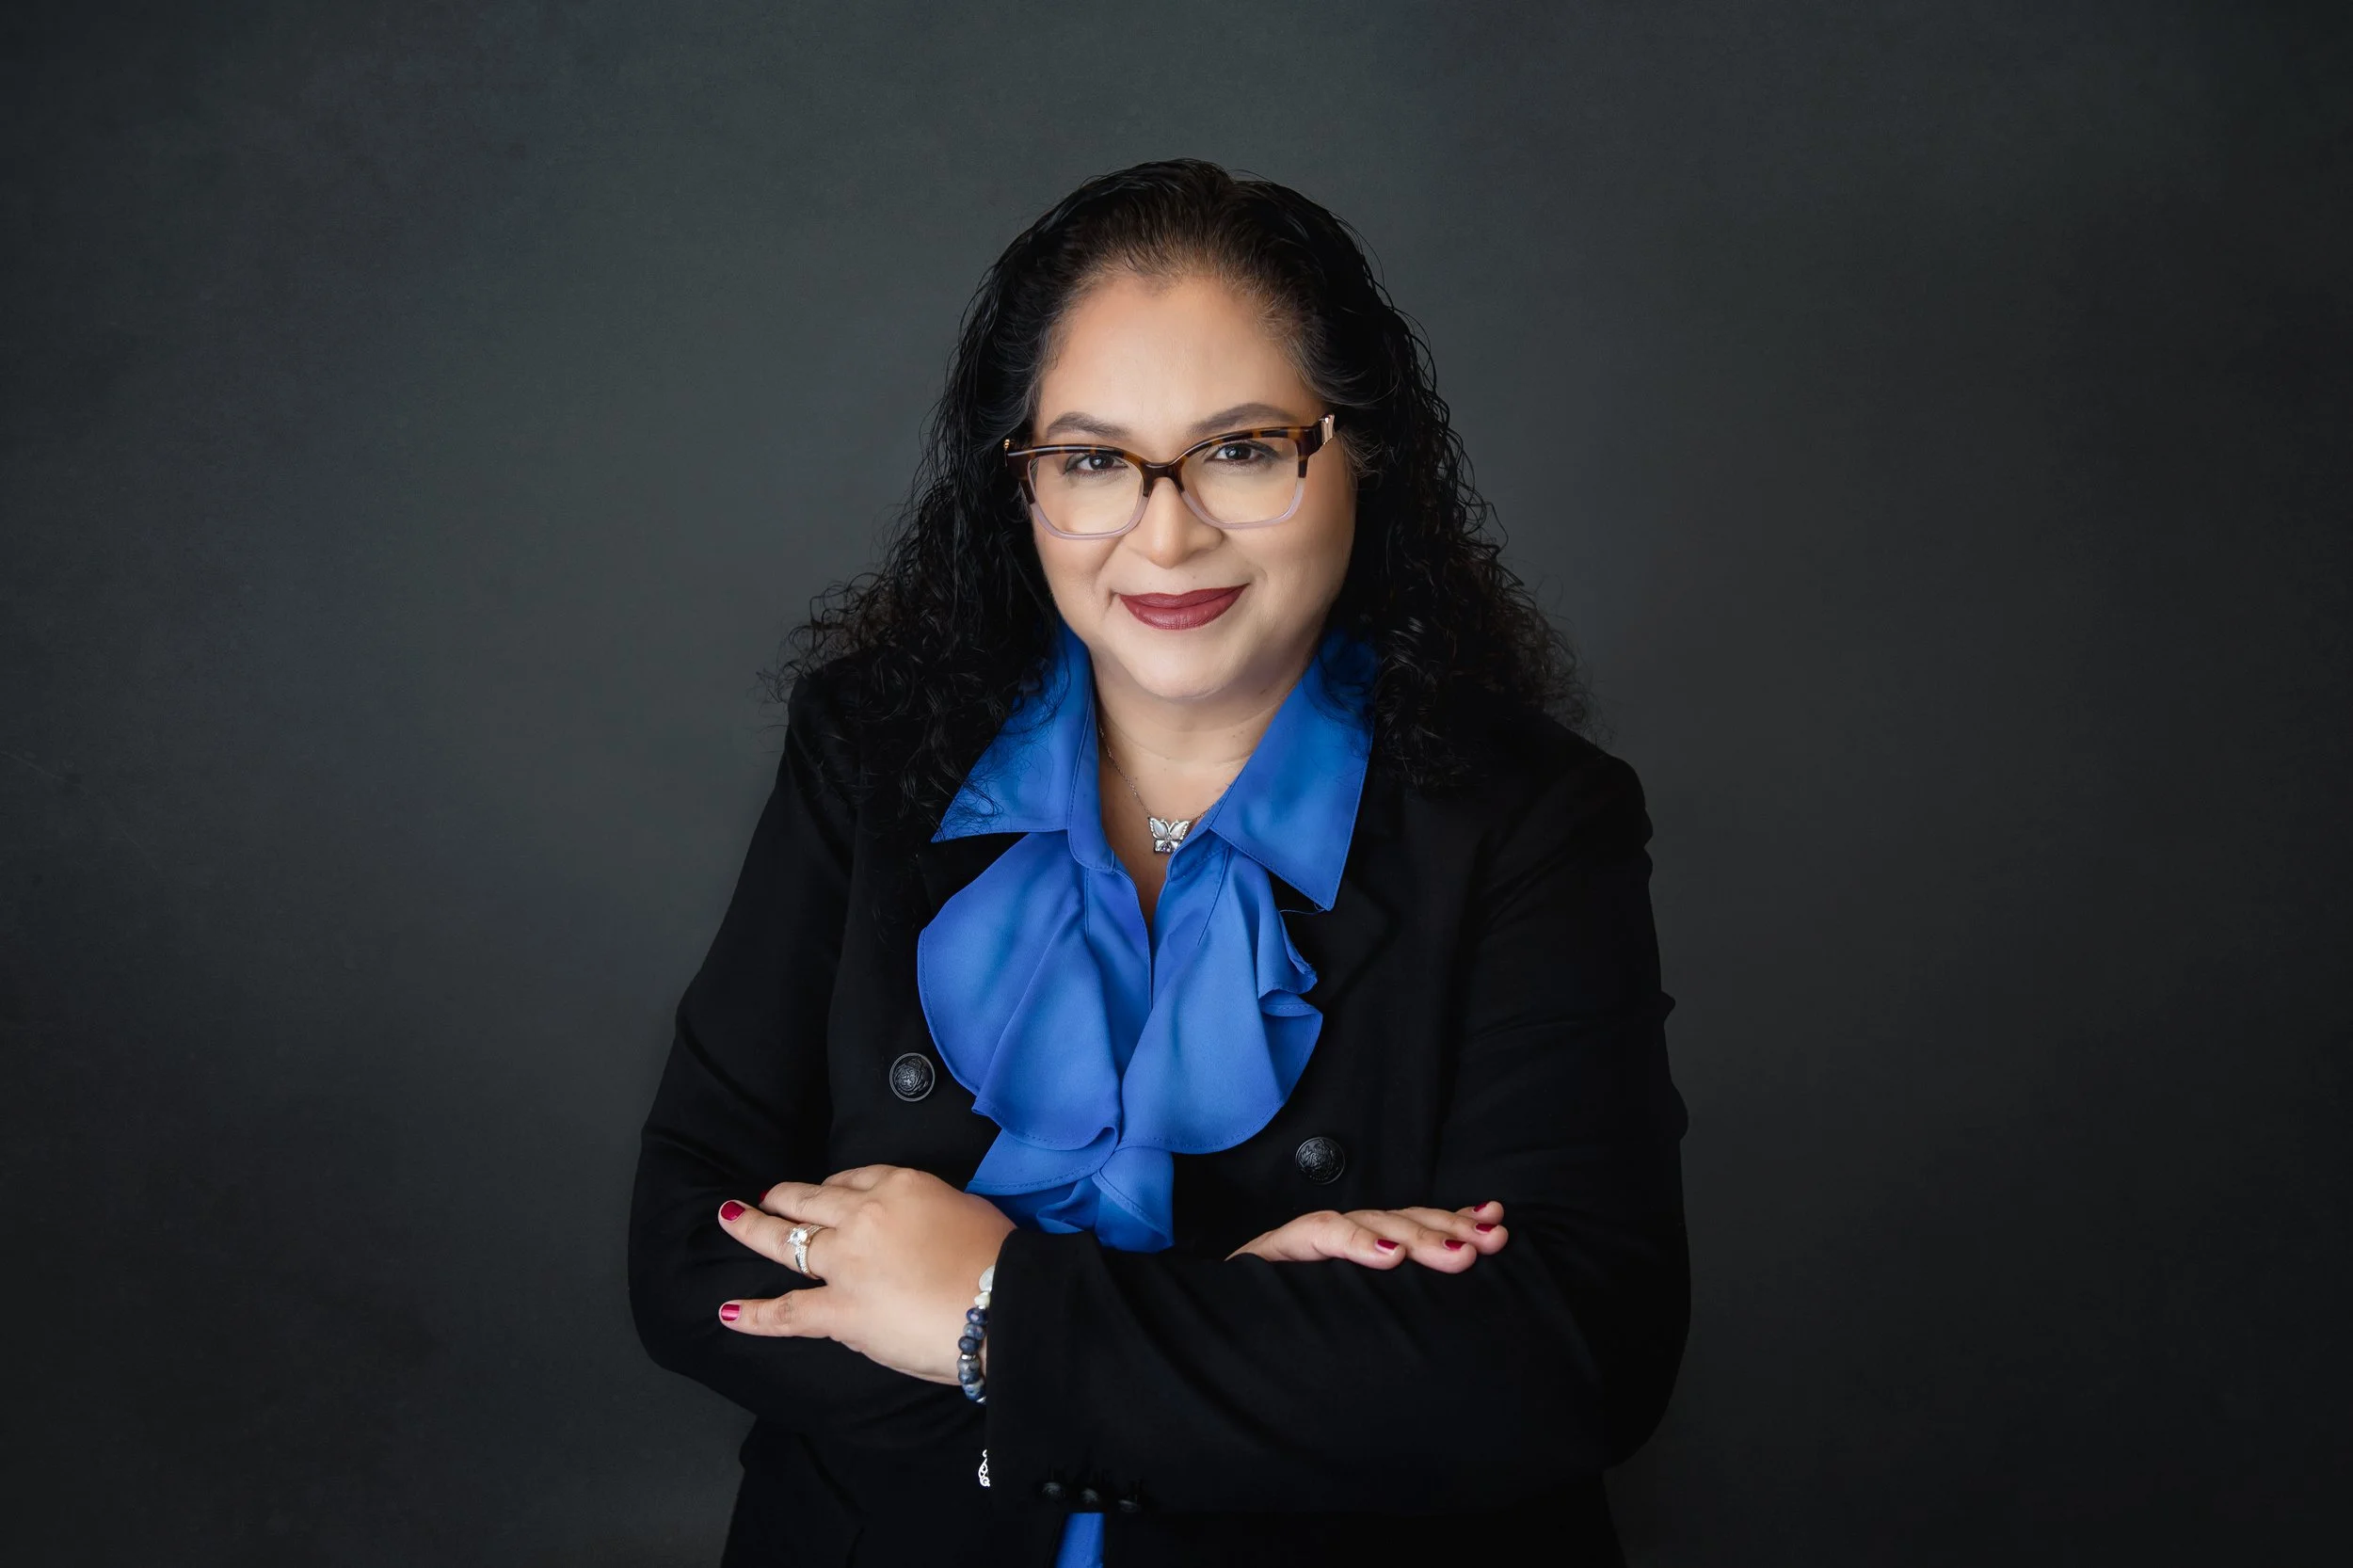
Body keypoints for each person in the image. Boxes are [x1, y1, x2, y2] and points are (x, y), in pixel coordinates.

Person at [628, 157, 1689, 1568]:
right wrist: (1217, 1343)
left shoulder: (1536, 821)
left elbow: (1568, 1357)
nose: (1166, 529)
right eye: (1091, 459)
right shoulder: (870, 751)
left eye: (1245, 447)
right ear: (1024, 484)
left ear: (1360, 449)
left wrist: (1000, 1312)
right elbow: (693, 1247)